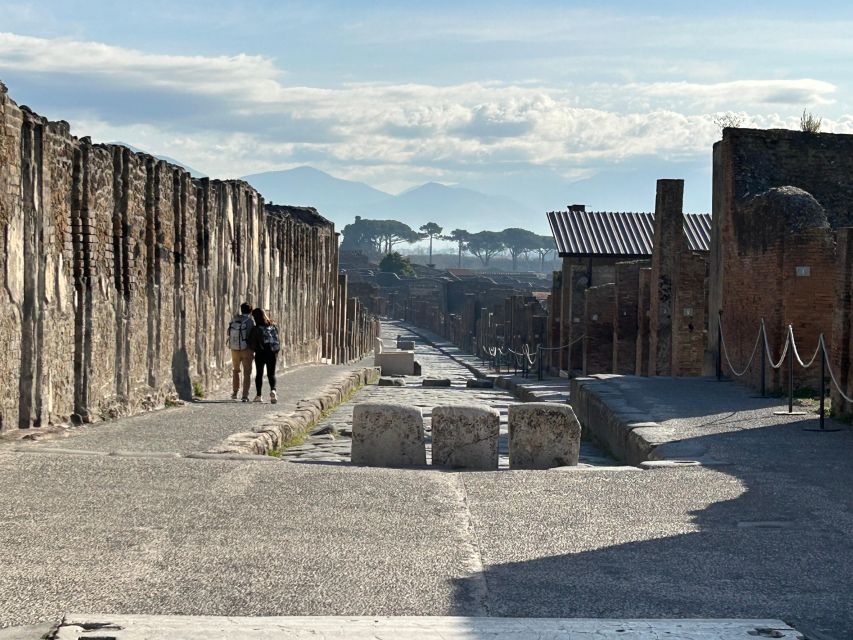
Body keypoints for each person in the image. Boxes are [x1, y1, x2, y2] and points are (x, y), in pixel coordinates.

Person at [247, 307, 280, 404]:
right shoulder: (273, 326)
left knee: (259, 374)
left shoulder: (256, 328)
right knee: (271, 374)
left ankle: (259, 395)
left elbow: (252, 343)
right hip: (272, 352)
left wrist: (254, 349)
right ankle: (273, 390)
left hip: (260, 353)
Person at [227, 302, 255, 402]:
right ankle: (245, 395)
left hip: (235, 349)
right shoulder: (250, 322)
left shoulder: (235, 319)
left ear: (241, 309)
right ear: (250, 311)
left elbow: (228, 332)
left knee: (236, 370)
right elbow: (253, 336)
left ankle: (235, 392)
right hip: (246, 349)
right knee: (247, 372)